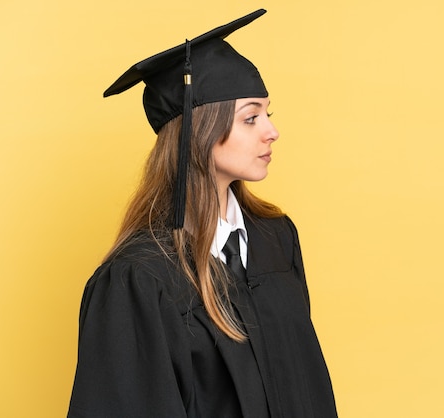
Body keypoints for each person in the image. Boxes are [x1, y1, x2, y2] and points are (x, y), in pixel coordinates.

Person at [68, 9, 337, 418]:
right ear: (200, 133)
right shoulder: (140, 279)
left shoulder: (277, 240)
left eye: (269, 114)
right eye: (251, 118)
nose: (271, 131)